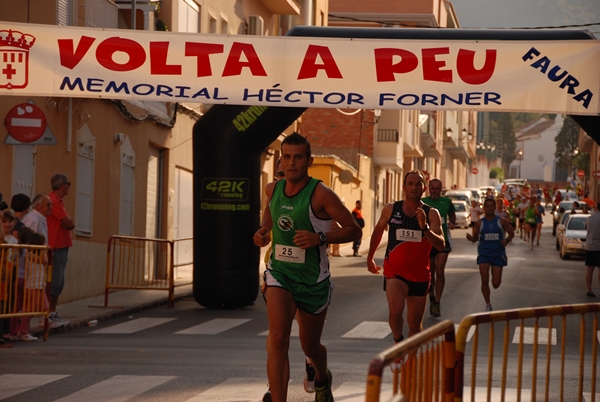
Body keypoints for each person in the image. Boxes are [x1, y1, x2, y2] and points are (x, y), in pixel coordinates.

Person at [253, 132, 362, 402]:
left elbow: (354, 230)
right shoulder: (272, 189)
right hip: (280, 273)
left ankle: (322, 378)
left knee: (310, 346)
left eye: (298, 157)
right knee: (278, 338)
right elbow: (269, 214)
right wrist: (264, 231)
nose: (291, 163)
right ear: (280, 160)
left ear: (309, 161)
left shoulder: (321, 194)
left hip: (313, 281)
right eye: (287, 157)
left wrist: (320, 238)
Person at [366, 170, 445, 349]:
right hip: (395, 271)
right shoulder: (391, 209)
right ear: (404, 187)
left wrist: (425, 228)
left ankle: (410, 358)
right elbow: (378, 231)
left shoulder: (431, 213)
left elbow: (441, 245)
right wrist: (370, 258)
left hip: (419, 274)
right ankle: (398, 343)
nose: (414, 187)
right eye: (410, 184)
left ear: (424, 188)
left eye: (418, 184)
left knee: (415, 325)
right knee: (395, 311)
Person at [466, 198, 515, 311]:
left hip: (498, 254)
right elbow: (475, 238)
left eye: (491, 206)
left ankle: (494, 272)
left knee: (496, 284)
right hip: (484, 254)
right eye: (487, 206)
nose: (489, 208)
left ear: (494, 208)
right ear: (484, 208)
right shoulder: (479, 223)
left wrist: (506, 240)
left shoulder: (501, 221)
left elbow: (511, 233)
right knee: (484, 280)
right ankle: (488, 304)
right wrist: (471, 238)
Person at [422, 179, 456, 318]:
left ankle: (437, 301)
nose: (435, 191)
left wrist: (452, 223)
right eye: (433, 188)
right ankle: (431, 297)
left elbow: (452, 215)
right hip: (428, 241)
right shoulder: (423, 202)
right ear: (429, 188)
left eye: (437, 189)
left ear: (441, 189)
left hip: (443, 240)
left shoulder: (447, 202)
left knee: (440, 271)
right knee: (430, 271)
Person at [47, 174, 75, 328]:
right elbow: (69, 223)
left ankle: (52, 312)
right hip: (56, 244)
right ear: (62, 185)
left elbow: (68, 222)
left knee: (59, 280)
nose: (69, 187)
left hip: (61, 244)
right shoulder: (54, 201)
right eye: (68, 184)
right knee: (55, 280)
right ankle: (49, 313)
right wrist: (68, 223)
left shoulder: (59, 202)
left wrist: (68, 223)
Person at [585, 202, 600, 297]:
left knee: (590, 268)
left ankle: (588, 290)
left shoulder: (590, 218)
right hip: (599, 246)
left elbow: (586, 228)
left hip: (589, 246)